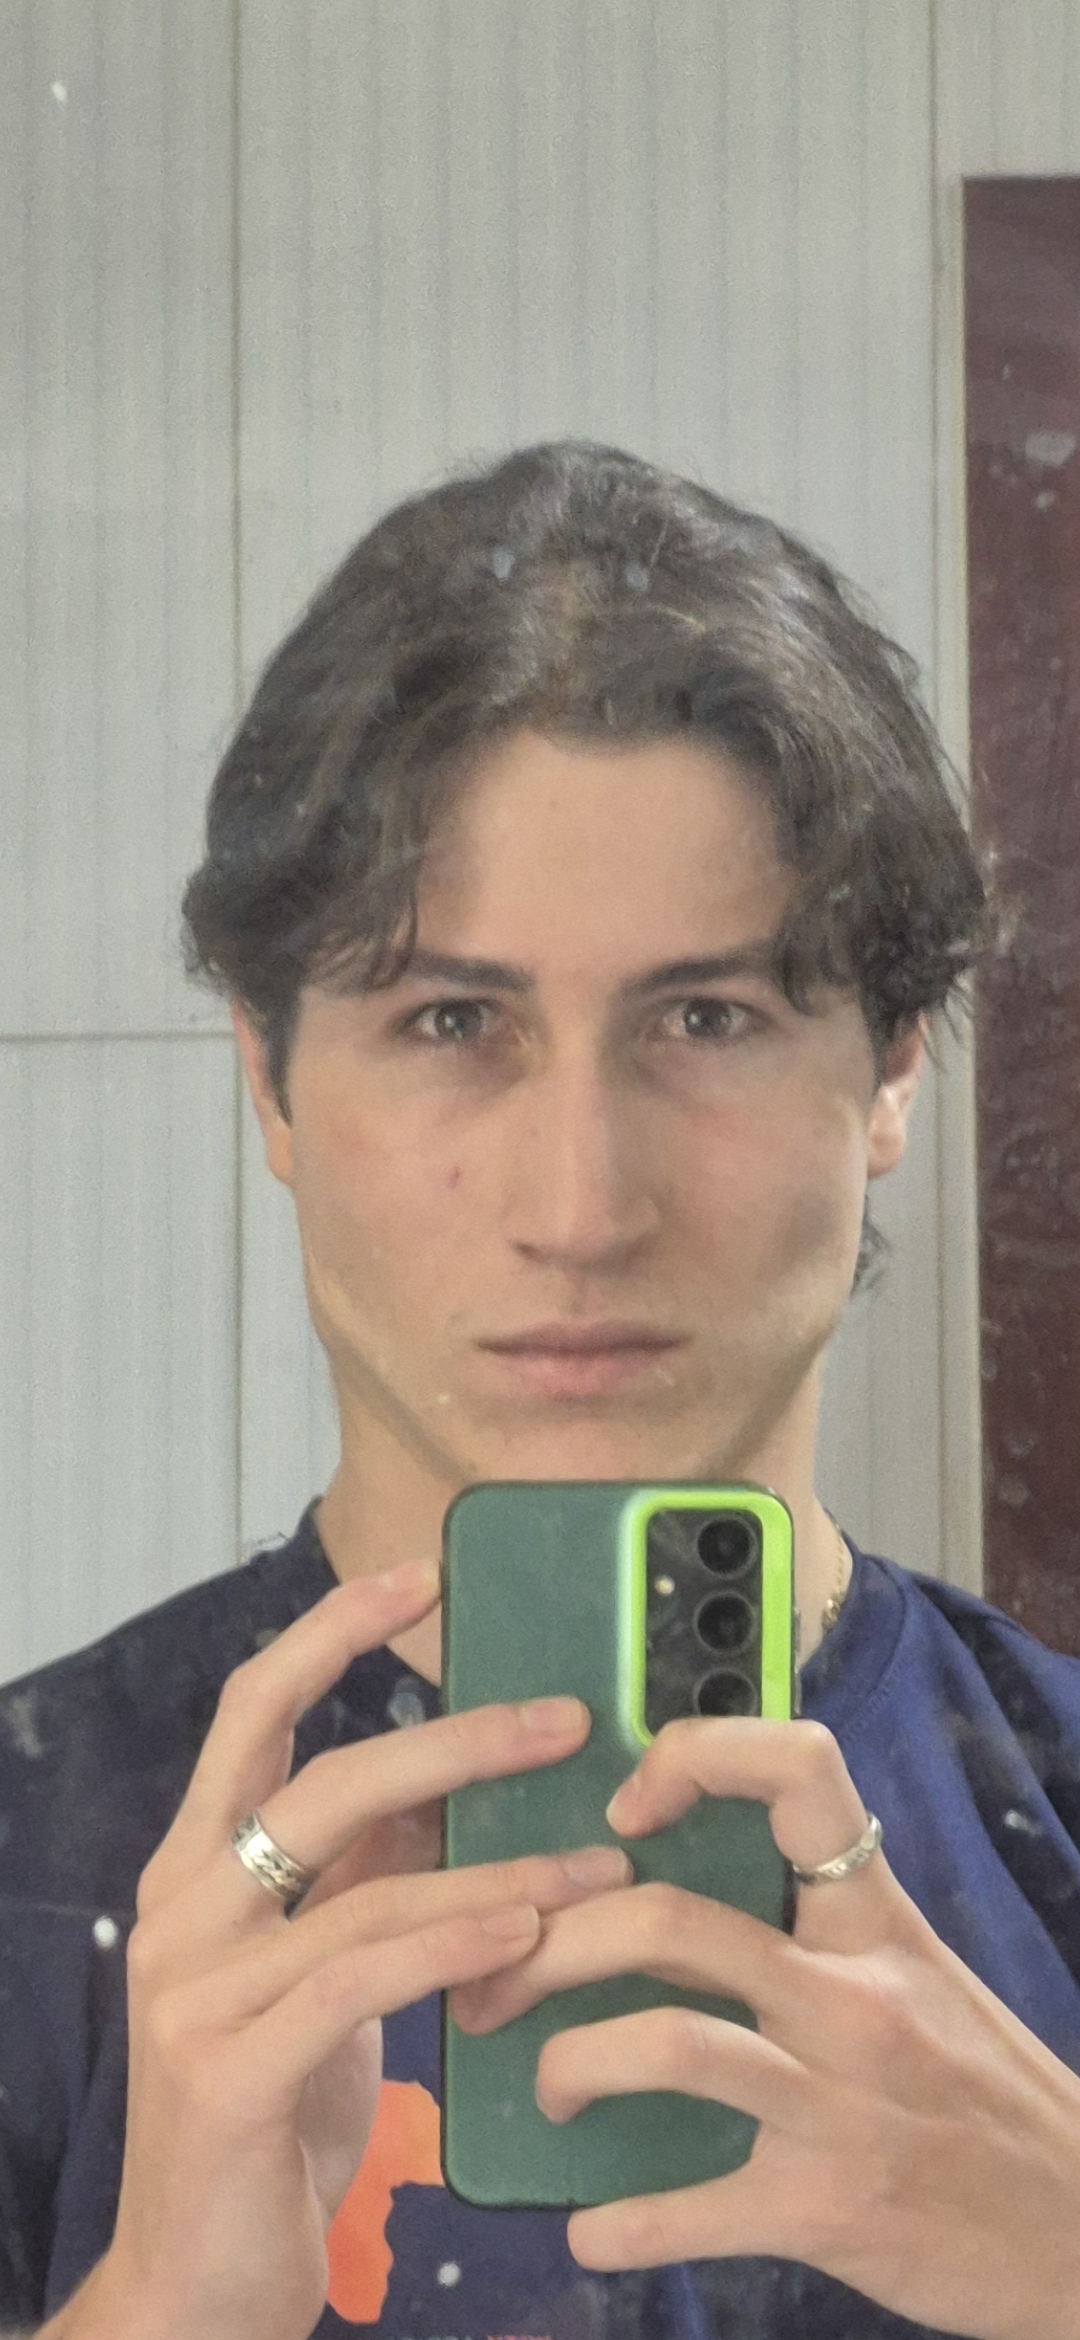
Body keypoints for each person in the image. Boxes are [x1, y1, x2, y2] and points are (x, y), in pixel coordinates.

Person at [3, 440, 1080, 2340]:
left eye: (707, 1019)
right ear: (269, 1080)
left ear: (896, 1068)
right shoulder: (29, 1866)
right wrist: (160, 2305)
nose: (581, 1209)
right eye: (451, 1021)